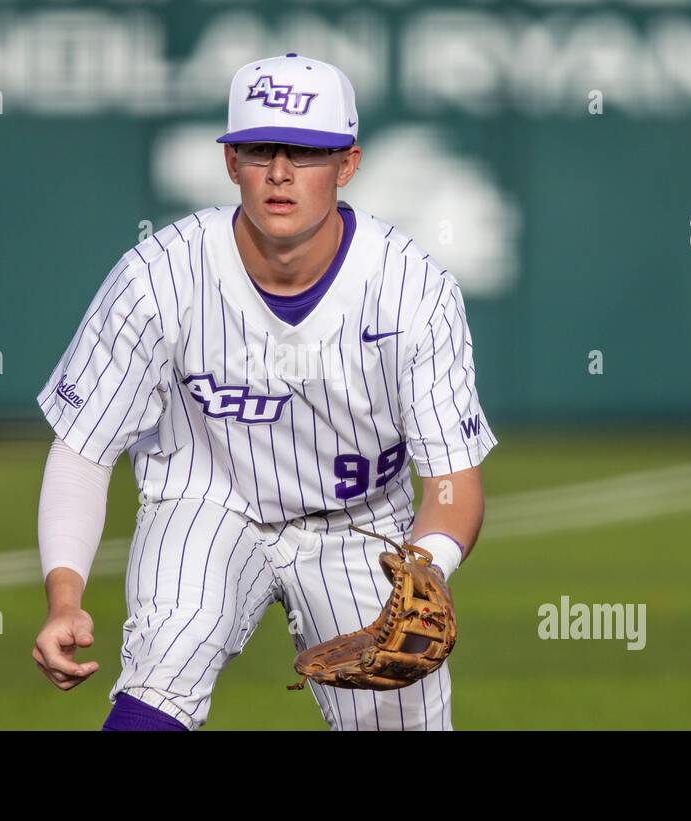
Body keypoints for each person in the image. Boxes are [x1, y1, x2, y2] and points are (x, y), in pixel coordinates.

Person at [32, 53, 496, 731]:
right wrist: (64, 595)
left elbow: (453, 484)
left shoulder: (412, 290)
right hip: (205, 501)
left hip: (360, 525)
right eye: (258, 148)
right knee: (170, 650)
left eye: (306, 151)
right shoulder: (159, 277)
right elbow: (84, 448)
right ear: (231, 164)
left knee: (399, 712)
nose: (280, 171)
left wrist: (424, 571)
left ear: (347, 164)